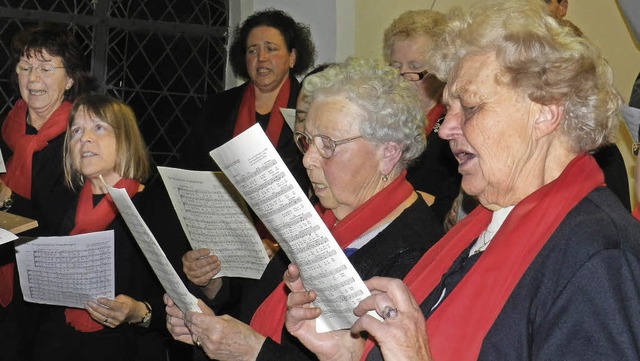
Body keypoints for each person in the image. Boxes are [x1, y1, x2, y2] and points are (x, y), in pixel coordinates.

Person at [284, 1, 640, 360]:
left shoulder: (598, 256)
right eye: (449, 107)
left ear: (545, 114)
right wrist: (349, 353)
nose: (447, 129)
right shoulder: (482, 226)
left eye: (469, 106)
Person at [164, 57, 445, 361]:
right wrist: (208, 324)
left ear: (388, 153)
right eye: (306, 141)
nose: (309, 159)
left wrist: (253, 353)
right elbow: (259, 306)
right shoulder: (320, 218)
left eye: (328, 145)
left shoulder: (419, 252)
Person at [30, 94, 190, 361]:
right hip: (57, 345)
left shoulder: (156, 206)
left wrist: (139, 311)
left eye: (99, 127)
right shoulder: (60, 204)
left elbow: (183, 302)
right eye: (77, 130)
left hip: (127, 348)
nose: (84, 138)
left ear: (124, 138)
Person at [0, 22, 96, 360]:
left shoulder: (81, 137)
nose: (33, 78)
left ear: (69, 78)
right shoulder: (11, 126)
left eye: (45, 67)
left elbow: (57, 224)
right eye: (25, 67)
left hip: (51, 290)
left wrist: (5, 202)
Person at [383, 10, 461, 223]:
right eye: (395, 67)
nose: (402, 78)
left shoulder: (454, 128)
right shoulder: (382, 120)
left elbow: (450, 210)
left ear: (441, 70)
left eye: (415, 67)